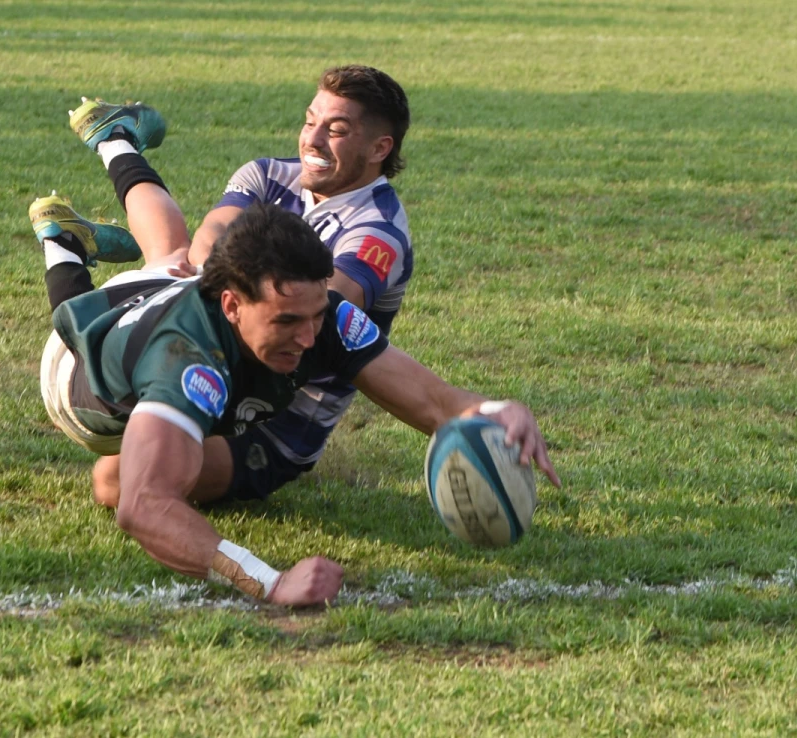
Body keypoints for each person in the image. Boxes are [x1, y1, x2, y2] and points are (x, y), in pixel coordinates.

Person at [29, 189, 561, 609]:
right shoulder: (187, 364)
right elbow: (142, 509)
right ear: (234, 306)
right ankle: (61, 244)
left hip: (163, 301)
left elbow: (435, 402)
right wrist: (270, 581)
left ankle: (72, 248)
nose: (309, 340)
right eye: (287, 322)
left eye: (315, 317)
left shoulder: (319, 311)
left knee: (168, 449)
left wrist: (494, 410)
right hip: (77, 379)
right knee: (123, 481)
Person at [64, 65, 417, 507]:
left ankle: (102, 168)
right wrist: (199, 280)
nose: (312, 139)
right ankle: (91, 186)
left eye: (337, 130)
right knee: (174, 260)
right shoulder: (267, 174)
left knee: (113, 480)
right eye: (310, 121)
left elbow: (325, 310)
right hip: (223, 357)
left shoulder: (377, 231)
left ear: (379, 148)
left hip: (274, 426)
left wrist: (209, 283)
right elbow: (208, 244)